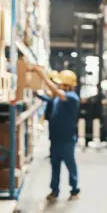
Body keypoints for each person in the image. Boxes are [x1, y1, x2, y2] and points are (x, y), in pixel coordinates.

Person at [34, 69, 81, 202]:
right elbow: (50, 98)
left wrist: (41, 75)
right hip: (55, 139)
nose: (58, 85)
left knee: (70, 165)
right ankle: (54, 190)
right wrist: (36, 94)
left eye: (61, 83)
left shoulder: (71, 97)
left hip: (66, 140)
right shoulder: (58, 99)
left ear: (67, 85)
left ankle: (74, 190)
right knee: (55, 166)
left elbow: (55, 93)